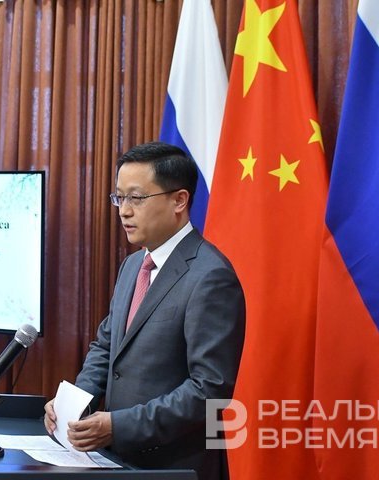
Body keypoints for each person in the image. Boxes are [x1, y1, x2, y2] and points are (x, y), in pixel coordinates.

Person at [44, 141, 246, 480]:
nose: (124, 211)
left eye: (136, 198)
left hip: (174, 466)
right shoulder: (133, 265)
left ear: (179, 200)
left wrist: (119, 426)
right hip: (118, 460)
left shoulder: (211, 276)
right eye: (119, 198)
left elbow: (209, 390)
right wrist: (72, 406)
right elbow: (107, 347)